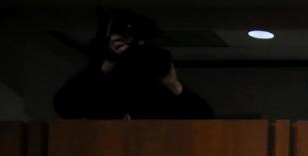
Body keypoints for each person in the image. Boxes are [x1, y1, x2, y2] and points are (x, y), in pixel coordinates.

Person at [54, 8, 213, 119]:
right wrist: (105, 66)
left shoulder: (155, 85)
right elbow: (65, 107)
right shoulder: (99, 82)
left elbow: (204, 119)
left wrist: (174, 85)